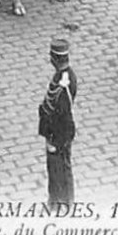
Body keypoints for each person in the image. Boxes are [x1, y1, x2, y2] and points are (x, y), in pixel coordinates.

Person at [38, 37, 77, 209]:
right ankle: (63, 201)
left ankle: (59, 203)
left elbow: (57, 112)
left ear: (54, 58)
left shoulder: (62, 83)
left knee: (57, 169)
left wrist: (51, 138)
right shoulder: (67, 76)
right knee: (63, 167)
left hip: (57, 133)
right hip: (65, 131)